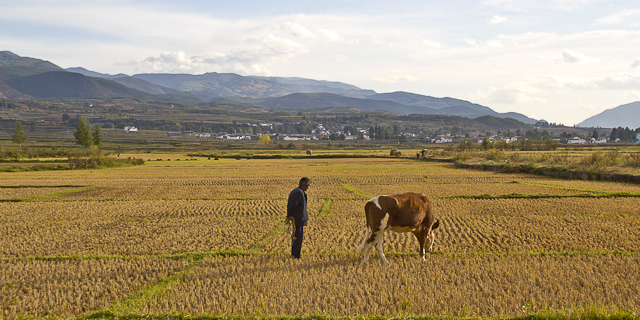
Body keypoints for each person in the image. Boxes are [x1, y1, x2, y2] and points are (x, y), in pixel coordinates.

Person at [287, 177, 311, 259]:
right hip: (298, 219)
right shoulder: (299, 192)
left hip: (298, 219)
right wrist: (289, 215)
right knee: (298, 238)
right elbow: (292, 205)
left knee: (296, 237)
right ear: (304, 185)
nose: (308, 187)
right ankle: (296, 255)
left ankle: (295, 254)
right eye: (308, 185)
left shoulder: (298, 191)